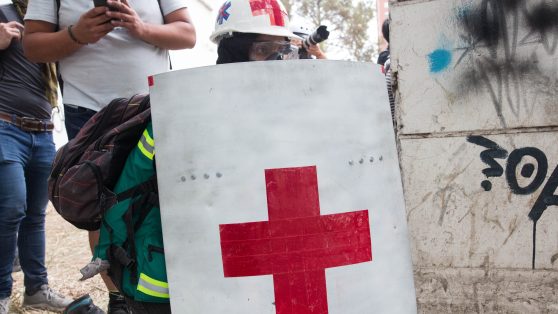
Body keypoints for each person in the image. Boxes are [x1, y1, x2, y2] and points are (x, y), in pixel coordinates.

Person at [82, 0, 301, 313]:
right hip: (165, 282)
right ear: (232, 51)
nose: (276, 62)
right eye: (264, 50)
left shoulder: (268, 116)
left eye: (282, 51)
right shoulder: (186, 114)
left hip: (226, 276)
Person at [22, 1, 196, 313]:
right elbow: (32, 46)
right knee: (100, 208)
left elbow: (187, 34)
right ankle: (119, 298)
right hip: (89, 114)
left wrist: (140, 28)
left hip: (153, 108)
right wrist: (77, 34)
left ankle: (165, 292)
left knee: (164, 201)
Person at [0, 1, 73, 312]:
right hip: (5, 126)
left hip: (44, 131)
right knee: (10, 208)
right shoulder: (4, 14)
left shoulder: (58, 22)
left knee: (35, 215)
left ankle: (37, 289)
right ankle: (2, 293)